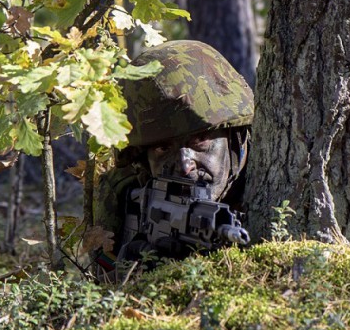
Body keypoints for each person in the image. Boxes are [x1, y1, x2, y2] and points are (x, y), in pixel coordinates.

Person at [91, 40, 254, 277]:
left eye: (200, 141)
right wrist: (125, 270)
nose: (185, 166)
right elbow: (100, 274)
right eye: (162, 148)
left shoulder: (272, 178)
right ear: (142, 158)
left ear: (235, 137)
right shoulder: (123, 191)